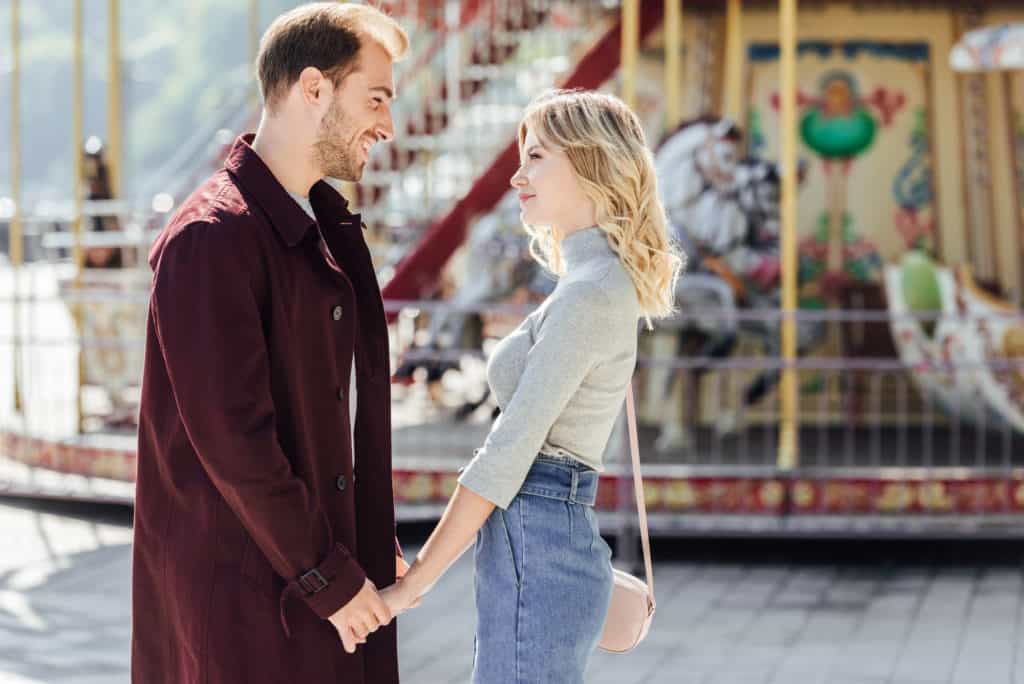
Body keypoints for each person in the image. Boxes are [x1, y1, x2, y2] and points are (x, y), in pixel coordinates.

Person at [130, 4, 411, 683]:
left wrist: (364, 538)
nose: (388, 125)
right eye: (375, 98)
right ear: (314, 88)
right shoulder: (211, 237)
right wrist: (327, 575)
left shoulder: (324, 229)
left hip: (313, 588)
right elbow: (236, 442)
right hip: (245, 611)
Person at [380, 89, 685, 683]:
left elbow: (507, 453)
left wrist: (414, 584)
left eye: (537, 156)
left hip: (539, 538)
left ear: (591, 161)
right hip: (542, 539)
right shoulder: (591, 282)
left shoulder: (591, 293)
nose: (518, 173)